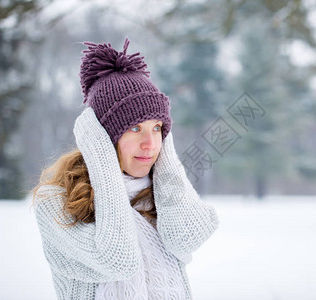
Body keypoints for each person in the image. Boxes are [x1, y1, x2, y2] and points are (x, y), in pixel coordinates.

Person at [33, 38, 219, 300]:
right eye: (135, 128)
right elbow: (118, 261)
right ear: (102, 137)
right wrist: (102, 160)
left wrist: (165, 158)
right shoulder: (56, 203)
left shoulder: (163, 197)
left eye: (157, 128)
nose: (150, 144)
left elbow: (186, 238)